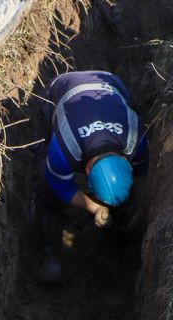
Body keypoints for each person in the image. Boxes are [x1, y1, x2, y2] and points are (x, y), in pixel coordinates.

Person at [34, 70, 150, 281]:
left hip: (111, 81)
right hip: (59, 89)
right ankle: (50, 255)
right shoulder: (64, 148)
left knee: (128, 204)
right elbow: (61, 185)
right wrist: (95, 207)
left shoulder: (137, 138)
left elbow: (143, 173)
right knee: (46, 184)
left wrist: (141, 207)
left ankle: (119, 246)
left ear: (127, 160)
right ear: (85, 174)